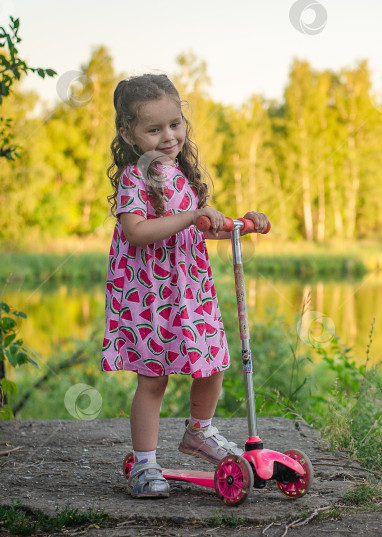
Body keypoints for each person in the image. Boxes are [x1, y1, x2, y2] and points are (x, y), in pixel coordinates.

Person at [100, 73, 269, 498]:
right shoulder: (133, 178)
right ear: (129, 133)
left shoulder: (181, 174)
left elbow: (195, 230)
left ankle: (199, 431)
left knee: (211, 365)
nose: (168, 135)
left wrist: (237, 225)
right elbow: (137, 231)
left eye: (174, 124)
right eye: (153, 129)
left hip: (189, 292)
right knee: (153, 379)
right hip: (149, 297)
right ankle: (144, 464)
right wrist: (193, 217)